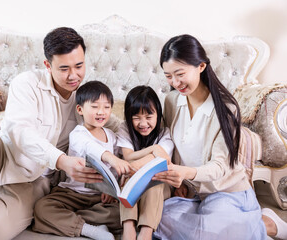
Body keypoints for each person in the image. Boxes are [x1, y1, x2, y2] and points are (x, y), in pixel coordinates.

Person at [0, 27, 104, 240]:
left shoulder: (86, 99)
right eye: (64, 68)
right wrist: (62, 161)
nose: (74, 75)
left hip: (33, 181)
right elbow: (21, 132)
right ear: (48, 65)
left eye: (79, 66)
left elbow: (116, 126)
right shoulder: (26, 83)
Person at [152, 34, 287, 240]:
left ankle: (266, 224)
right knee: (155, 219)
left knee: (206, 234)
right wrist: (177, 183)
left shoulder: (225, 109)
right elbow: (168, 144)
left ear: (201, 66)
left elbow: (220, 167)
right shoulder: (171, 101)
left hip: (226, 192)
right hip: (193, 194)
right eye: (168, 76)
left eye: (180, 73)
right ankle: (244, 226)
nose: (175, 82)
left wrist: (185, 173)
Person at [33, 80, 131, 240]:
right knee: (42, 208)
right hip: (73, 193)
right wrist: (111, 158)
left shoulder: (111, 136)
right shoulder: (78, 134)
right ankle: (89, 230)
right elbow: (90, 148)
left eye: (106, 107)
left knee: (123, 213)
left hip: (100, 198)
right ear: (80, 109)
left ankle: (69, 220)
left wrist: (112, 191)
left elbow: (115, 169)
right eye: (95, 107)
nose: (101, 112)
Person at [116, 86, 174, 240]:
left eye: (149, 116)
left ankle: (146, 233)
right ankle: (128, 230)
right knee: (130, 177)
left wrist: (134, 166)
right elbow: (128, 157)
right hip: (131, 182)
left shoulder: (164, 133)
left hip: (160, 186)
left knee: (153, 178)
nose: (143, 123)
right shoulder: (124, 129)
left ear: (158, 115)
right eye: (136, 117)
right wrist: (153, 149)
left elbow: (160, 160)